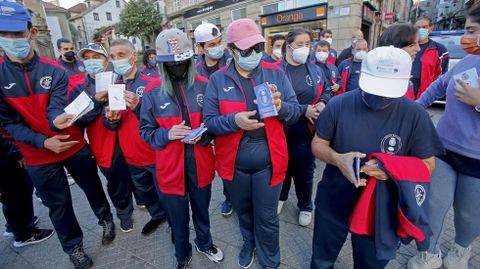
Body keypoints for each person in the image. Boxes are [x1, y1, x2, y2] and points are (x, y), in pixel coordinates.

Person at [0, 2, 114, 268]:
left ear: (31, 32)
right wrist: (43, 141)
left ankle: (106, 218)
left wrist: (55, 124)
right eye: (3, 34)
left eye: (16, 34)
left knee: (92, 188)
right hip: (38, 155)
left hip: (73, 145)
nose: (10, 40)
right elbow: (7, 123)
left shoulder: (55, 70)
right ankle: (73, 248)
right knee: (58, 205)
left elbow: (56, 107)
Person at [310, 46, 445, 269]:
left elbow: (428, 165)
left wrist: (390, 169)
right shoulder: (339, 104)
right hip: (335, 197)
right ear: (362, 75)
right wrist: (338, 159)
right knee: (322, 259)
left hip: (382, 207)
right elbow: (318, 144)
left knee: (370, 264)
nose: (381, 94)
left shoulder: (415, 115)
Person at [203, 18, 300, 269]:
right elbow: (210, 123)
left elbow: (295, 113)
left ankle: (270, 258)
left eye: (258, 48)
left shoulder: (276, 74)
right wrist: (234, 121)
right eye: (247, 50)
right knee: (243, 210)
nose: (254, 54)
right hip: (234, 163)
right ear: (232, 50)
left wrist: (281, 108)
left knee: (267, 216)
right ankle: (248, 243)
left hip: (269, 161)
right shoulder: (218, 80)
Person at [140, 28, 224, 269]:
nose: (178, 68)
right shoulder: (152, 91)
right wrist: (167, 134)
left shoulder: (205, 84)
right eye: (171, 64)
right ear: (161, 64)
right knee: (177, 217)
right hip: (170, 166)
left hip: (200, 162)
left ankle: (204, 243)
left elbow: (215, 123)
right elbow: (145, 132)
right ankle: (181, 254)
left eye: (183, 62)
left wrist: (205, 135)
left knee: (202, 210)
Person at [408, 3, 480, 269]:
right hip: (444, 148)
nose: (467, 37)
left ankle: (460, 250)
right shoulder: (469, 61)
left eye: (472, 30)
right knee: (434, 207)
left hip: (477, 159)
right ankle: (429, 252)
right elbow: (439, 84)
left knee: (470, 215)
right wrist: (415, 108)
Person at [67, 43, 135, 234]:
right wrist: (97, 101)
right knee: (114, 181)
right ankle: (124, 213)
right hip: (103, 144)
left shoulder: (120, 80)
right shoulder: (78, 89)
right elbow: (78, 121)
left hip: (128, 138)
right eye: (86, 58)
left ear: (106, 61)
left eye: (96, 57)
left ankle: (145, 201)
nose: (91, 62)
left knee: (135, 175)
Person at [104, 39, 167, 234]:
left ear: (134, 56)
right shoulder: (113, 85)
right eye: (113, 57)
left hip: (154, 153)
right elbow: (108, 123)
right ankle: (157, 216)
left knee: (167, 194)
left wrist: (139, 107)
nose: (117, 60)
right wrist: (110, 119)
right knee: (145, 193)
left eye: (121, 55)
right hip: (131, 156)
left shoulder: (152, 82)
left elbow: (163, 119)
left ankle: (176, 225)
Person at [276, 28, 331, 227]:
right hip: (281, 131)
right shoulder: (275, 70)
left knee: (305, 171)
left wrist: (323, 102)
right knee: (282, 169)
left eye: (308, 44)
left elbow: (326, 89)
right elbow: (274, 103)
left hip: (306, 133)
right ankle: (281, 197)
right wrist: (303, 110)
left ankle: (306, 205)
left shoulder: (316, 70)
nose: (305, 49)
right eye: (300, 44)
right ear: (288, 46)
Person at [193, 22, 233, 216]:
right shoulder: (194, 69)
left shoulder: (232, 61)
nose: (218, 47)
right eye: (211, 44)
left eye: (218, 42)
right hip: (204, 124)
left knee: (228, 162)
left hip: (227, 122)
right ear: (200, 48)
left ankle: (230, 197)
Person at [0, 133, 54, 247]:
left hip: (5, 152)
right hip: (5, 156)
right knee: (16, 191)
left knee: (11, 192)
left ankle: (15, 226)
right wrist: (15, 152)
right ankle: (24, 233)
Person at [377, 24, 421, 100]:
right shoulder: (382, 78)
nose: (418, 49)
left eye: (418, 44)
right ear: (394, 47)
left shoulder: (403, 70)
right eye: (412, 45)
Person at [411, 16, 449, 99]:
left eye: (424, 27)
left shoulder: (440, 50)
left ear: (431, 28)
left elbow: (441, 75)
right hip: (405, 91)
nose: (421, 30)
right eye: (418, 27)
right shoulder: (406, 46)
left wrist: (431, 93)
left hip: (424, 94)